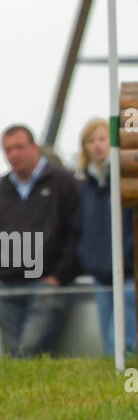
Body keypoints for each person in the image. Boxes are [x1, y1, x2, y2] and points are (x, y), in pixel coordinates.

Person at [0, 124, 80, 357]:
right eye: (8, 149)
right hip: (7, 286)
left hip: (46, 284)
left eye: (19, 147)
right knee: (12, 356)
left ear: (34, 148)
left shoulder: (63, 183)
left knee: (30, 351)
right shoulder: (2, 189)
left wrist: (59, 276)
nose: (13, 154)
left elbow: (76, 231)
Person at [75, 118, 136, 354]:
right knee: (108, 343)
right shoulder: (85, 186)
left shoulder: (126, 179)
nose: (97, 145)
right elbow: (83, 228)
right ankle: (115, 384)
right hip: (100, 273)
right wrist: (87, 257)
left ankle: (131, 382)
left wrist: (128, 254)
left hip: (129, 271)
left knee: (122, 340)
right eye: (91, 141)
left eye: (102, 139)